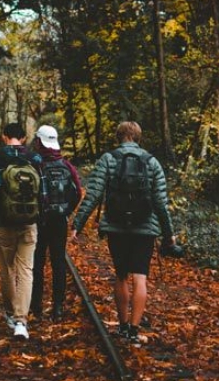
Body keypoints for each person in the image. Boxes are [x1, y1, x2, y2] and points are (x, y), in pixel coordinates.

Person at [71, 121, 177, 343]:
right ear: (139, 138)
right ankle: (134, 329)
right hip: (145, 227)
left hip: (116, 226)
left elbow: (93, 194)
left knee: (120, 275)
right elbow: (160, 202)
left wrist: (77, 225)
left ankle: (122, 324)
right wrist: (169, 234)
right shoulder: (152, 162)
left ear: (118, 137)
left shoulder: (108, 159)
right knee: (140, 277)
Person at [0, 122, 46, 340]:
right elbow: (43, 194)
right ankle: (22, 321)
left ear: (4, 137)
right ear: (25, 137)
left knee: (7, 270)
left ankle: (10, 315)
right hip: (29, 222)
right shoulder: (35, 159)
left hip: (3, 223)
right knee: (26, 270)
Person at [30, 125, 82, 321]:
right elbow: (77, 191)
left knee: (37, 262)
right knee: (58, 262)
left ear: (39, 142)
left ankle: (36, 306)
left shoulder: (36, 164)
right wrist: (67, 211)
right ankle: (58, 308)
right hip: (59, 220)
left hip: (39, 221)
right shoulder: (66, 165)